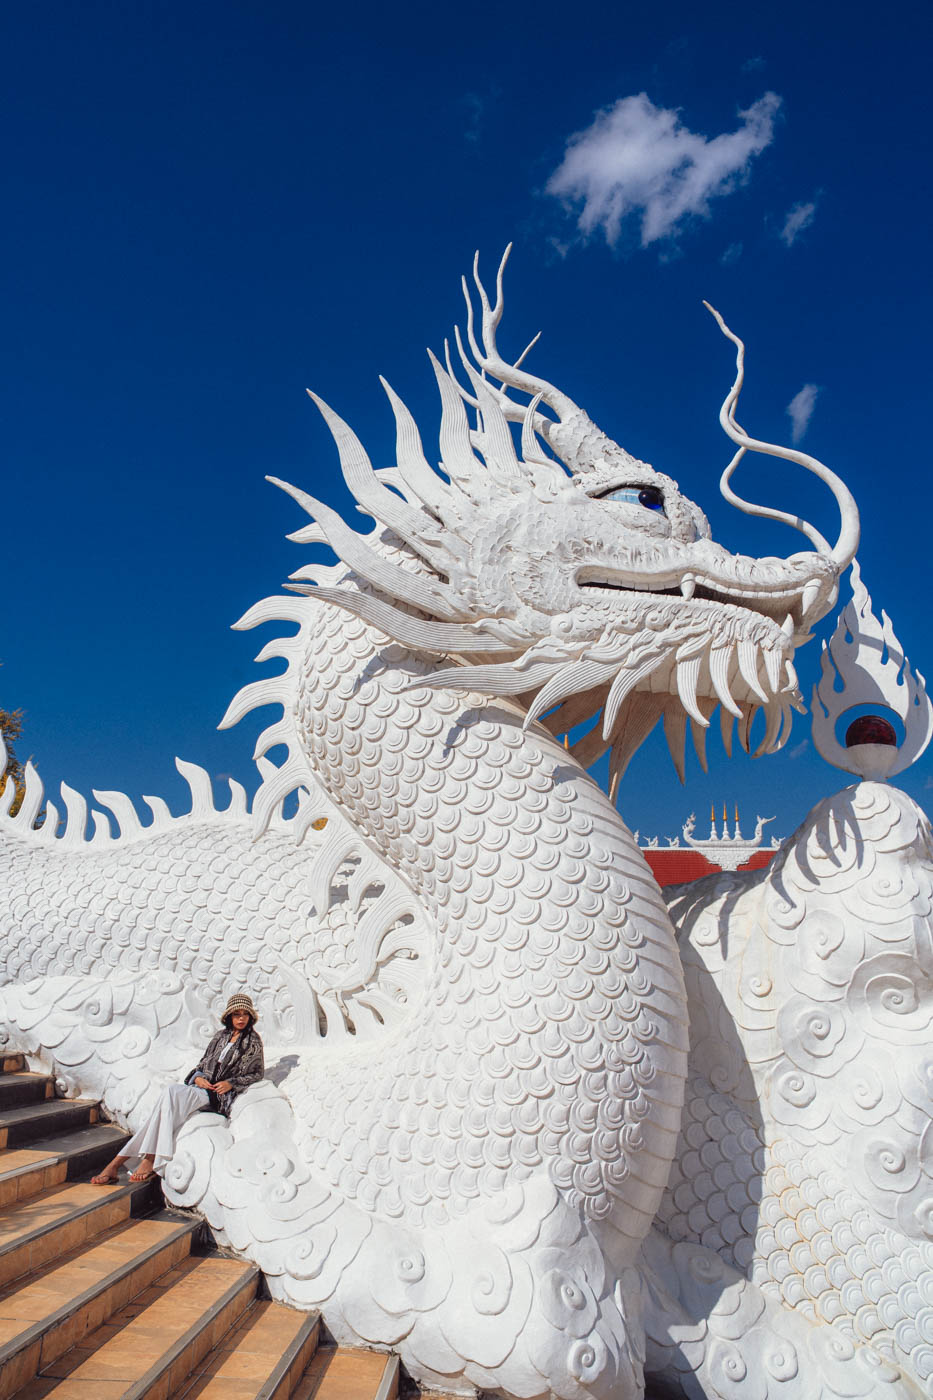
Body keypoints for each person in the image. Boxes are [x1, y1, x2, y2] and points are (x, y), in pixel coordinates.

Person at [91, 993, 264, 1184]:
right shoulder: (220, 1036)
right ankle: (129, 1162)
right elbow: (202, 1064)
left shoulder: (253, 1041)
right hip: (201, 1087)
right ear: (229, 1016)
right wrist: (198, 1078)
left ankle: (129, 1161)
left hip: (219, 1096)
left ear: (250, 1017)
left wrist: (231, 1083)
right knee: (167, 1099)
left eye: (245, 1014)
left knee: (170, 1094)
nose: (241, 1018)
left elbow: (257, 1073)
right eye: (236, 1014)